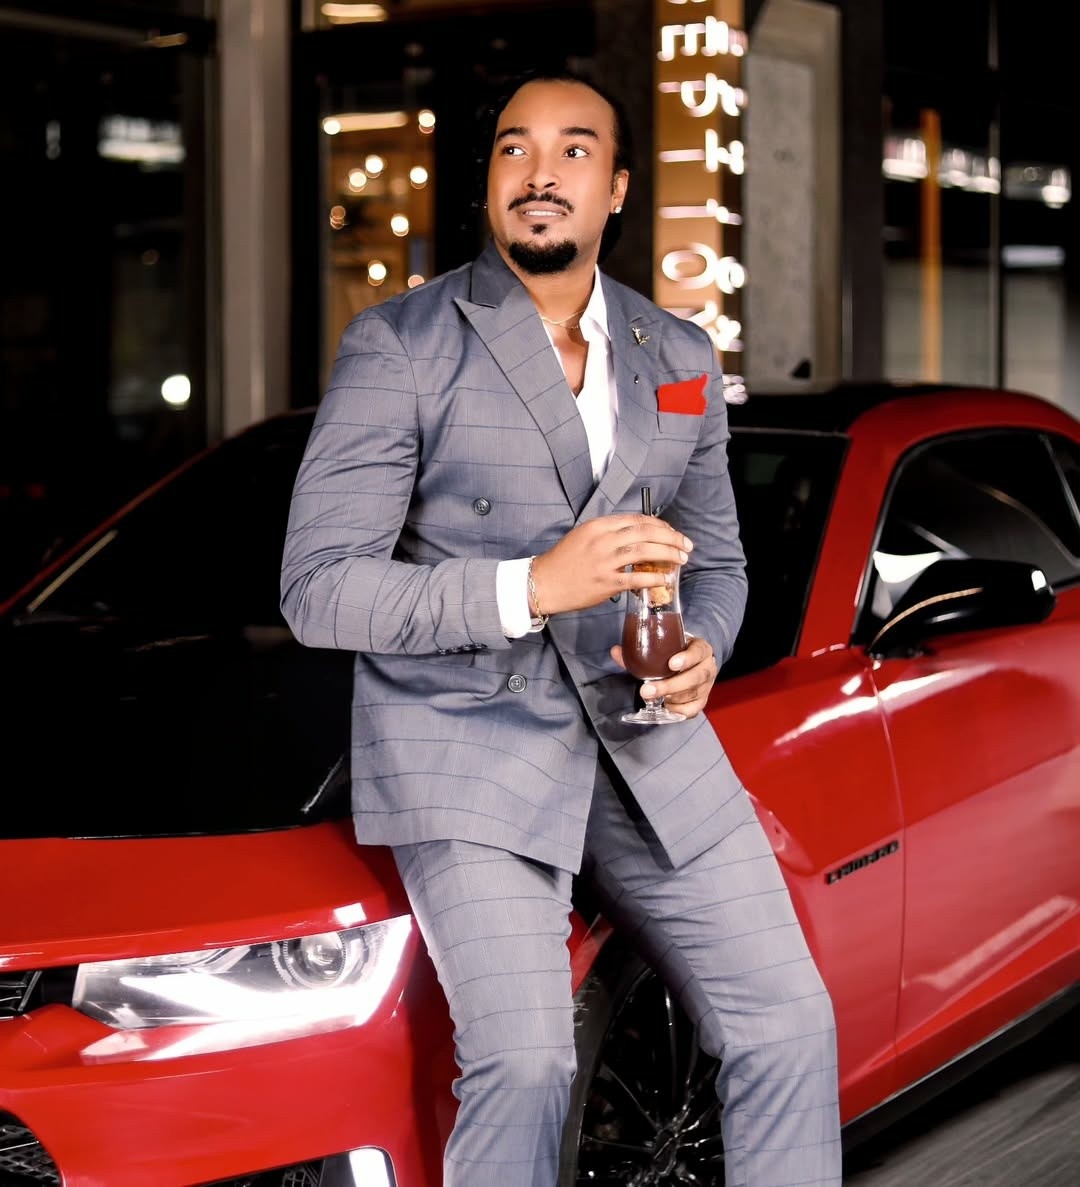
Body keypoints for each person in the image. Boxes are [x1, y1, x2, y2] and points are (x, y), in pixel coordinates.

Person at [280, 69, 841, 1187]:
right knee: (528, 1060)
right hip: (468, 743)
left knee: (789, 1019)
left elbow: (719, 562)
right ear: (489, 179)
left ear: (619, 186)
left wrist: (704, 648)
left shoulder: (678, 354)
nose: (541, 173)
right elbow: (320, 588)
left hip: (645, 737)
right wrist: (531, 584)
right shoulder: (402, 343)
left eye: (575, 150)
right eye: (515, 149)